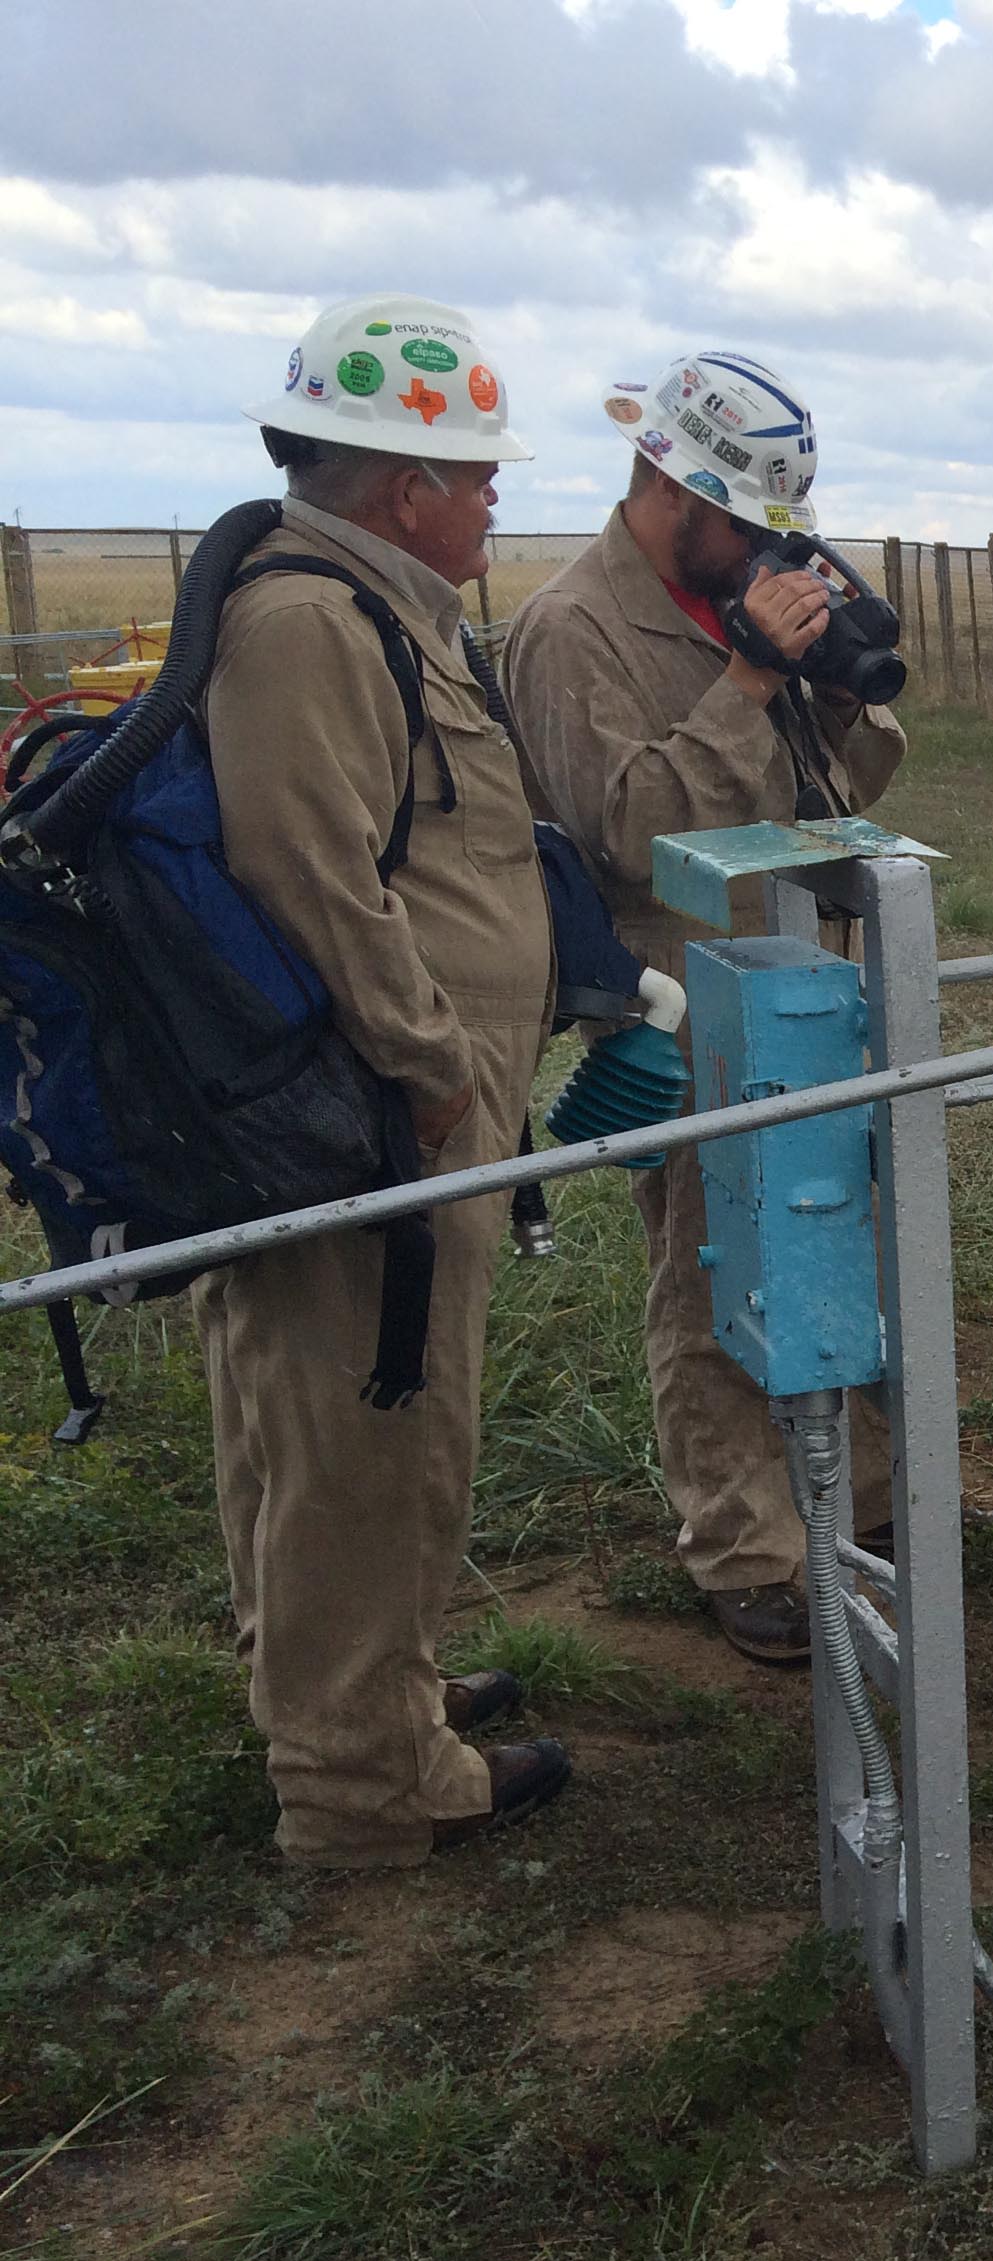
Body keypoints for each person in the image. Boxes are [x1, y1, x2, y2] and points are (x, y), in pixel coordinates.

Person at [205, 295, 568, 1863]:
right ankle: (362, 1783)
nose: (493, 499)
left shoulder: (370, 605)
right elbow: (309, 875)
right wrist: (431, 1065)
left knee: (332, 1418)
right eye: (476, 475)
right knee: (370, 1423)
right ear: (404, 486)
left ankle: (359, 1690)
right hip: (372, 1115)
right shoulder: (308, 625)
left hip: (384, 1103)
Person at [504, 352, 908, 1665]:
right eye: (740, 517)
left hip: (809, 975)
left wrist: (833, 683)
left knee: (849, 1236)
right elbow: (627, 830)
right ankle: (747, 1551)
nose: (758, 548)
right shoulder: (577, 631)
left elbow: (829, 795)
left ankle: (876, 1508)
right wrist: (738, 682)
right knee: (718, 1264)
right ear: (668, 483)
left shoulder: (732, 587)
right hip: (685, 993)